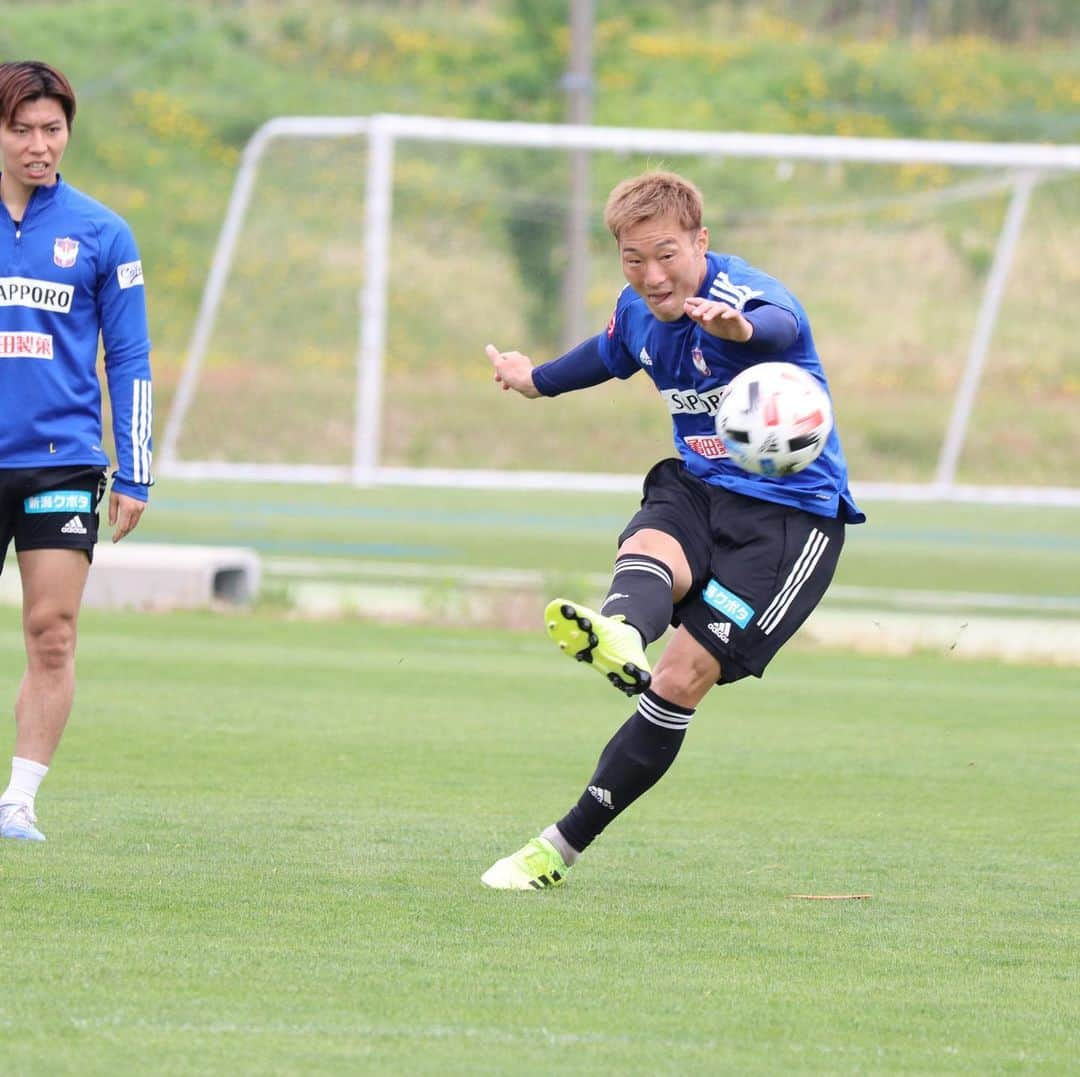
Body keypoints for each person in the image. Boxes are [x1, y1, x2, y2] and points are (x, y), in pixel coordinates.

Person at [481, 170, 863, 890]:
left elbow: (780, 324)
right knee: (651, 537)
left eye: (667, 255)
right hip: (703, 487)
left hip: (789, 524)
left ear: (700, 242)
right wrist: (534, 379)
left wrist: (739, 329)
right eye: (633, 258)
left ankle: (555, 849)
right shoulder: (636, 310)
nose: (652, 275)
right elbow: (605, 355)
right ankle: (621, 628)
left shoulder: (746, 295)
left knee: (678, 679)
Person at [0, 61, 153, 842]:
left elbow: (129, 359)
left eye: (51, 130)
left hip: (62, 461)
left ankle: (19, 800)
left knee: (52, 629)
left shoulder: (101, 231)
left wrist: (136, 471)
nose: (37, 145)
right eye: (20, 129)